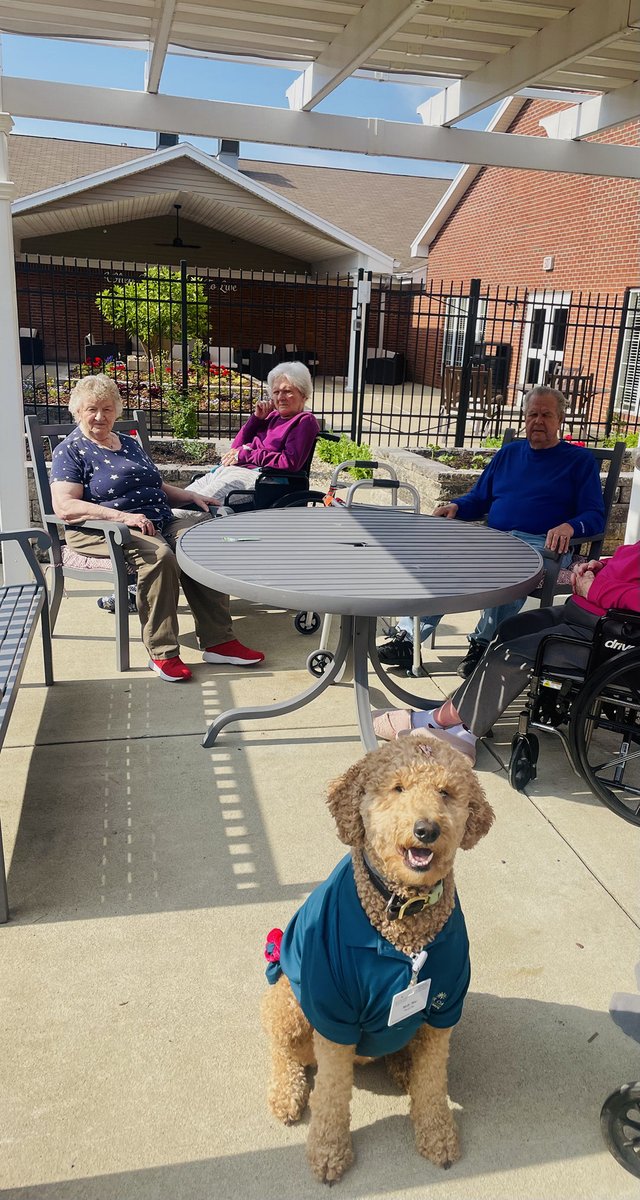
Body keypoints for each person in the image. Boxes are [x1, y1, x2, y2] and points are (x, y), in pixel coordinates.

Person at [49, 373, 265, 683]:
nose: (100, 416)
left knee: (199, 546)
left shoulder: (127, 443)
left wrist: (189, 494)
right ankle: (163, 653)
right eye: (91, 409)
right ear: (77, 411)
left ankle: (219, 641)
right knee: (161, 556)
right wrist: (123, 519)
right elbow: (65, 507)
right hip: (102, 528)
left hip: (155, 518)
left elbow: (154, 484)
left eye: (107, 408)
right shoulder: (71, 450)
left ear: (117, 410)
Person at [379, 386, 605, 677]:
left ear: (560, 418)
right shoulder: (509, 454)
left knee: (511, 568)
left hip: (542, 546)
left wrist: (571, 526)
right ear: (524, 417)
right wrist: (457, 508)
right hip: (496, 538)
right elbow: (479, 499)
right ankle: (410, 639)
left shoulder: (579, 461)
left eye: (546, 414)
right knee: (444, 559)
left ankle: (484, 644)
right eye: (532, 414)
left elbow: (595, 517)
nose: (538, 420)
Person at [373, 541, 640, 760]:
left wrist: (598, 588)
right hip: (590, 615)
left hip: (614, 638)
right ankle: (468, 726)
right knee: (510, 629)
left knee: (512, 656)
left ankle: (442, 722)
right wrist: (601, 567)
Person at [178, 360, 320, 509]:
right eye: (276, 392)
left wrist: (245, 455)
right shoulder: (271, 416)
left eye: (287, 391)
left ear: (304, 394)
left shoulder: (304, 421)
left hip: (263, 479)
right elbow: (236, 447)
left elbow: (289, 462)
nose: (280, 398)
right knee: (178, 499)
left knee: (191, 506)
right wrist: (256, 419)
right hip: (231, 470)